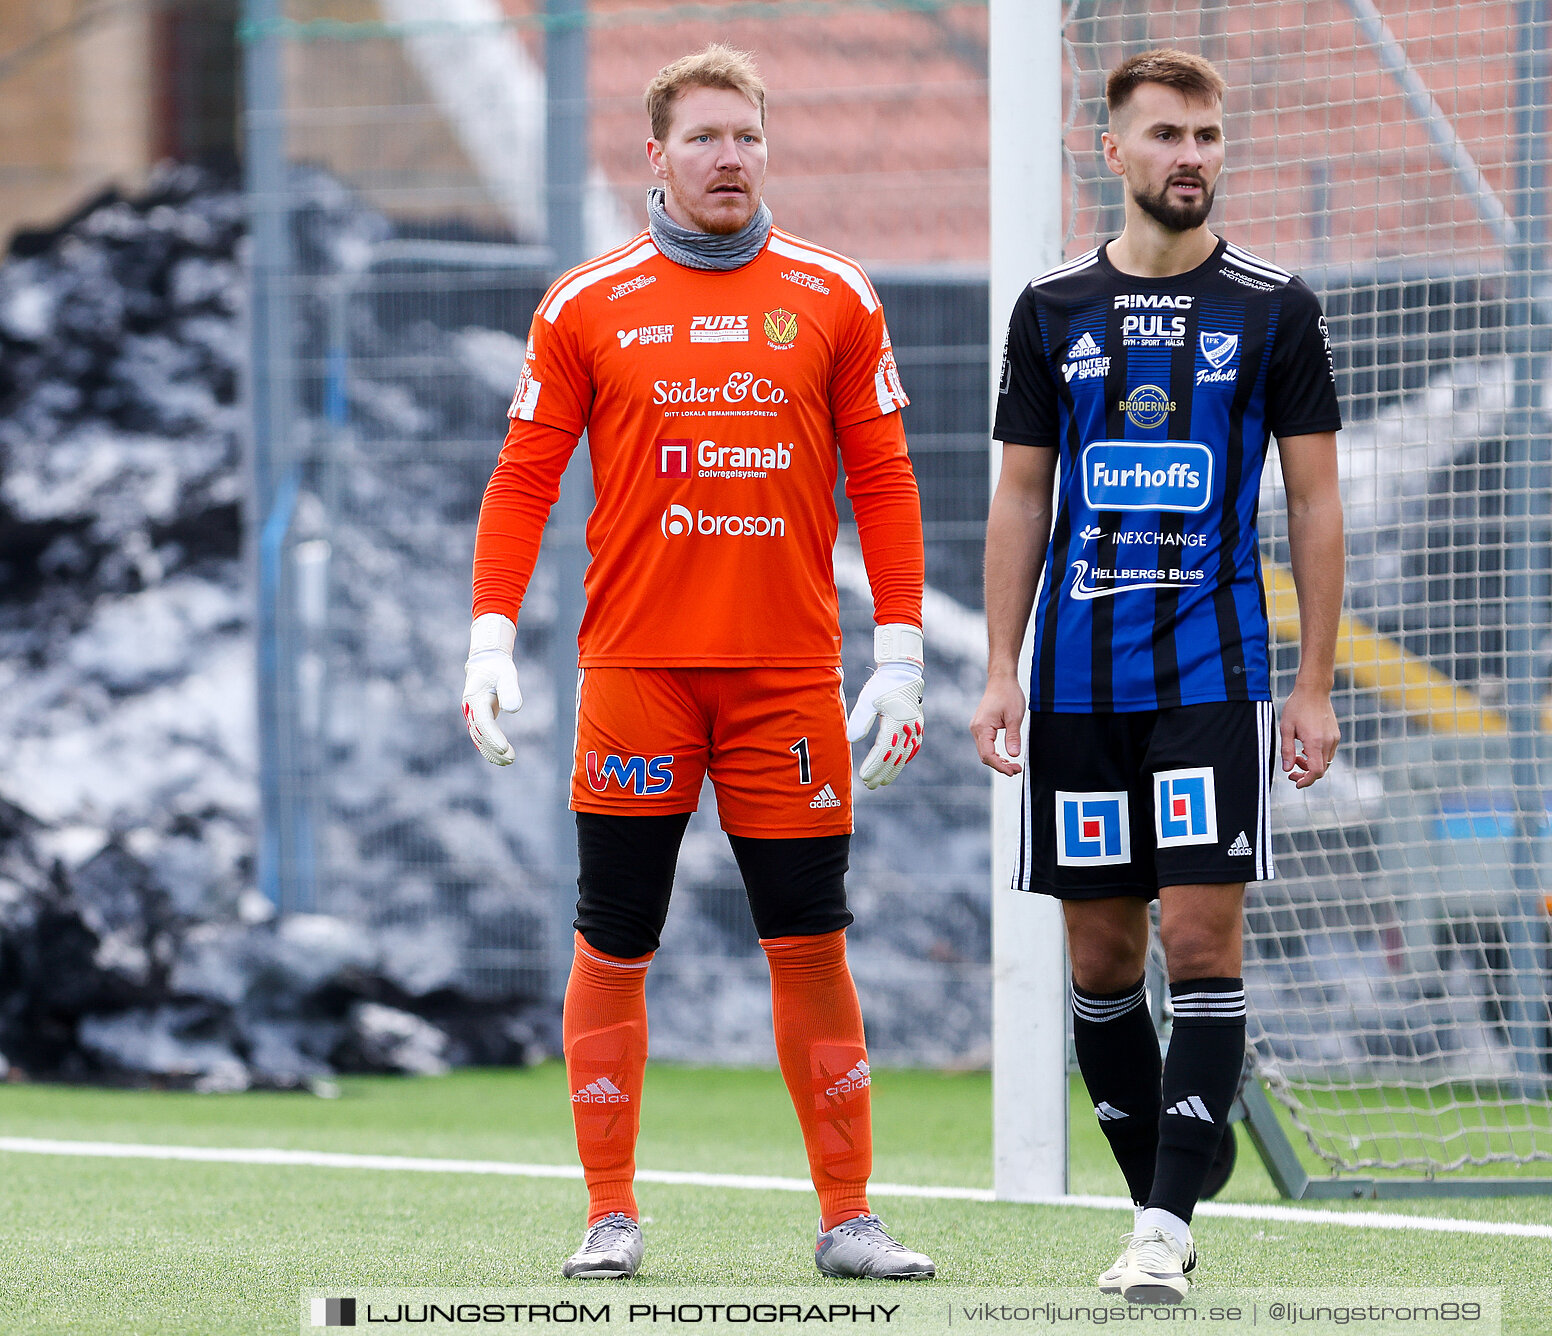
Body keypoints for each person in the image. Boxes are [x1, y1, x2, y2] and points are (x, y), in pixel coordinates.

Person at [461, 44, 934, 1284]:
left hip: (789, 679)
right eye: (708, 137)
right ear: (655, 155)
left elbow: (882, 478)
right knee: (613, 942)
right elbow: (523, 479)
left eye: (749, 138)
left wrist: (902, 650)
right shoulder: (584, 302)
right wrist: (491, 632)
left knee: (810, 940)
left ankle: (848, 1217)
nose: (732, 158)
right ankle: (608, 1212)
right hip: (637, 676)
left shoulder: (836, 294)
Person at [970, 48, 1344, 1304]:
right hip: (1074, 687)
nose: (1193, 156)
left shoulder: (1276, 308)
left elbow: (1316, 497)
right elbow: (1024, 495)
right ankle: (1161, 1191)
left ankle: (1166, 1228)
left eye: (1209, 136)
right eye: (1168, 135)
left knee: (1198, 930)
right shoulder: (1051, 308)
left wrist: (1315, 683)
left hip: (1211, 674)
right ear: (1112, 151)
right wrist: (998, 669)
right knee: (1099, 959)